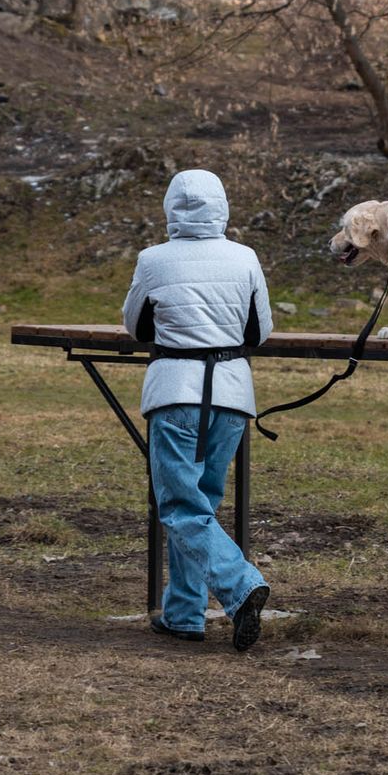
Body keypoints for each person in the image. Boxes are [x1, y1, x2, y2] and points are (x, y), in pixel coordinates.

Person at [122, 169, 274, 650]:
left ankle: (240, 585)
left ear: (170, 208)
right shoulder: (245, 257)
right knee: (201, 506)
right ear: (222, 206)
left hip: (175, 392)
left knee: (180, 507)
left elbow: (136, 326)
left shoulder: (152, 259)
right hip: (231, 395)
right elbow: (259, 331)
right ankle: (184, 613)